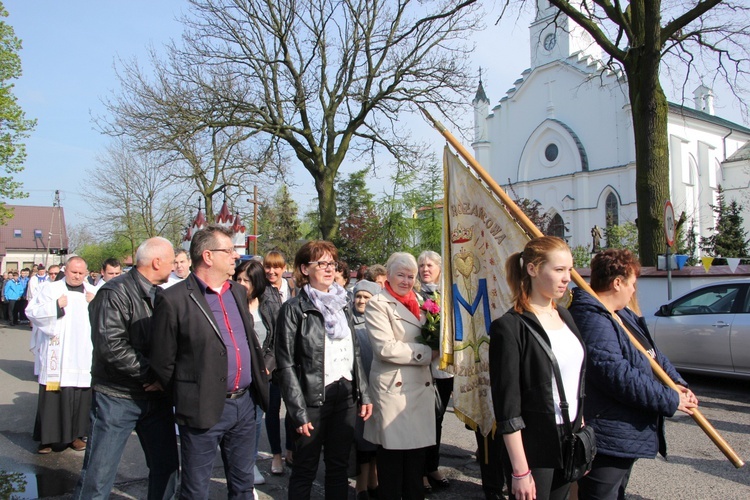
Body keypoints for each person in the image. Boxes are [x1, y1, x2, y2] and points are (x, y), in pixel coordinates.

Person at [151, 225, 270, 499]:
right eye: (228, 250)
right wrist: (190, 392)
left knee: (242, 486)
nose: (234, 257)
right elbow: (163, 360)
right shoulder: (174, 299)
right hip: (202, 408)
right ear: (207, 256)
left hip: (244, 405)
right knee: (195, 490)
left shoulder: (237, 293)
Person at [568, 249, 698, 500]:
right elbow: (615, 373)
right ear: (617, 282)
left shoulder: (622, 314)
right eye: (632, 283)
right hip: (608, 435)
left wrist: (676, 384)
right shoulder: (592, 318)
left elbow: (653, 355)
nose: (633, 290)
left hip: (626, 432)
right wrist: (669, 399)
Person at [73, 238, 178, 500]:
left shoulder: (162, 294)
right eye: (172, 259)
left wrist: (164, 378)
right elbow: (112, 348)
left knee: (166, 468)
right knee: (99, 474)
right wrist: (154, 374)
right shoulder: (113, 293)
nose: (175, 264)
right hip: (117, 397)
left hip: (156, 398)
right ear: (157, 262)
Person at [489, 236, 585, 500]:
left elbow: (573, 379)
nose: (567, 278)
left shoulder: (565, 315)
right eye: (558, 270)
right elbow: (507, 407)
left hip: (570, 436)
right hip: (534, 443)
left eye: (569, 270)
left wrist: (581, 431)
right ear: (532, 269)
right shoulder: (509, 327)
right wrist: (520, 471)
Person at [275, 240, 372, 499]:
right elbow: (284, 364)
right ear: (305, 269)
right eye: (322, 264)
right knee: (305, 467)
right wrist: (297, 411)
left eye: (332, 263)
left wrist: (364, 392)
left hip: (346, 394)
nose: (329, 269)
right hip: (312, 400)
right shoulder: (294, 309)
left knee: (338, 466)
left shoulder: (343, 304)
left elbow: (356, 352)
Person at [364, 252, 437, 500]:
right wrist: (428, 352)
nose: (406, 281)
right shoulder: (377, 303)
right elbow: (385, 348)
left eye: (411, 276)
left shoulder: (421, 300)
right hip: (394, 391)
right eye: (401, 275)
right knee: (393, 460)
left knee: (416, 461)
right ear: (389, 275)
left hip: (419, 388)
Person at [25, 257, 95, 454]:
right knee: (52, 394)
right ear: (67, 270)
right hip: (58, 351)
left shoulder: (92, 293)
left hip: (82, 353)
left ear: (86, 273)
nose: (77, 276)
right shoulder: (51, 289)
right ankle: (47, 439)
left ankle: (76, 436)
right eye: (73, 272)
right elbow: (31, 311)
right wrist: (55, 306)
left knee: (79, 395)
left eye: (81, 273)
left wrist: (95, 304)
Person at [233, 259, 278, 484]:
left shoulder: (269, 302)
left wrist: (267, 368)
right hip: (237, 374)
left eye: (247, 280)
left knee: (255, 419)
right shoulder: (231, 302)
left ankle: (249, 464)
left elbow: (276, 340)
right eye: (238, 279)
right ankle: (239, 464)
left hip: (262, 374)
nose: (241, 284)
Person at [417, 250, 452, 492]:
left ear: (440, 268)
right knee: (422, 420)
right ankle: (419, 472)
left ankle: (432, 465)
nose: (425, 268)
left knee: (437, 419)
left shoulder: (447, 295)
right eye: (421, 265)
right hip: (422, 367)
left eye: (430, 264)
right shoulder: (415, 297)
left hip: (444, 370)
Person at [263, 249, 296, 467]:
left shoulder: (294, 289)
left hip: (293, 361)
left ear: (284, 268)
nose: (272, 271)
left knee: (293, 409)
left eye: (276, 267)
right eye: (268, 266)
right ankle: (276, 454)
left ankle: (291, 449)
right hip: (272, 363)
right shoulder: (261, 292)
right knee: (272, 409)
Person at [351, 280, 381, 500]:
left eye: (366, 297)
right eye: (358, 296)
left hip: (379, 388)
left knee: (377, 438)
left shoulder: (380, 322)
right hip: (358, 390)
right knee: (362, 439)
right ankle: (360, 486)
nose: (361, 301)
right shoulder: (347, 322)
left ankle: (374, 480)